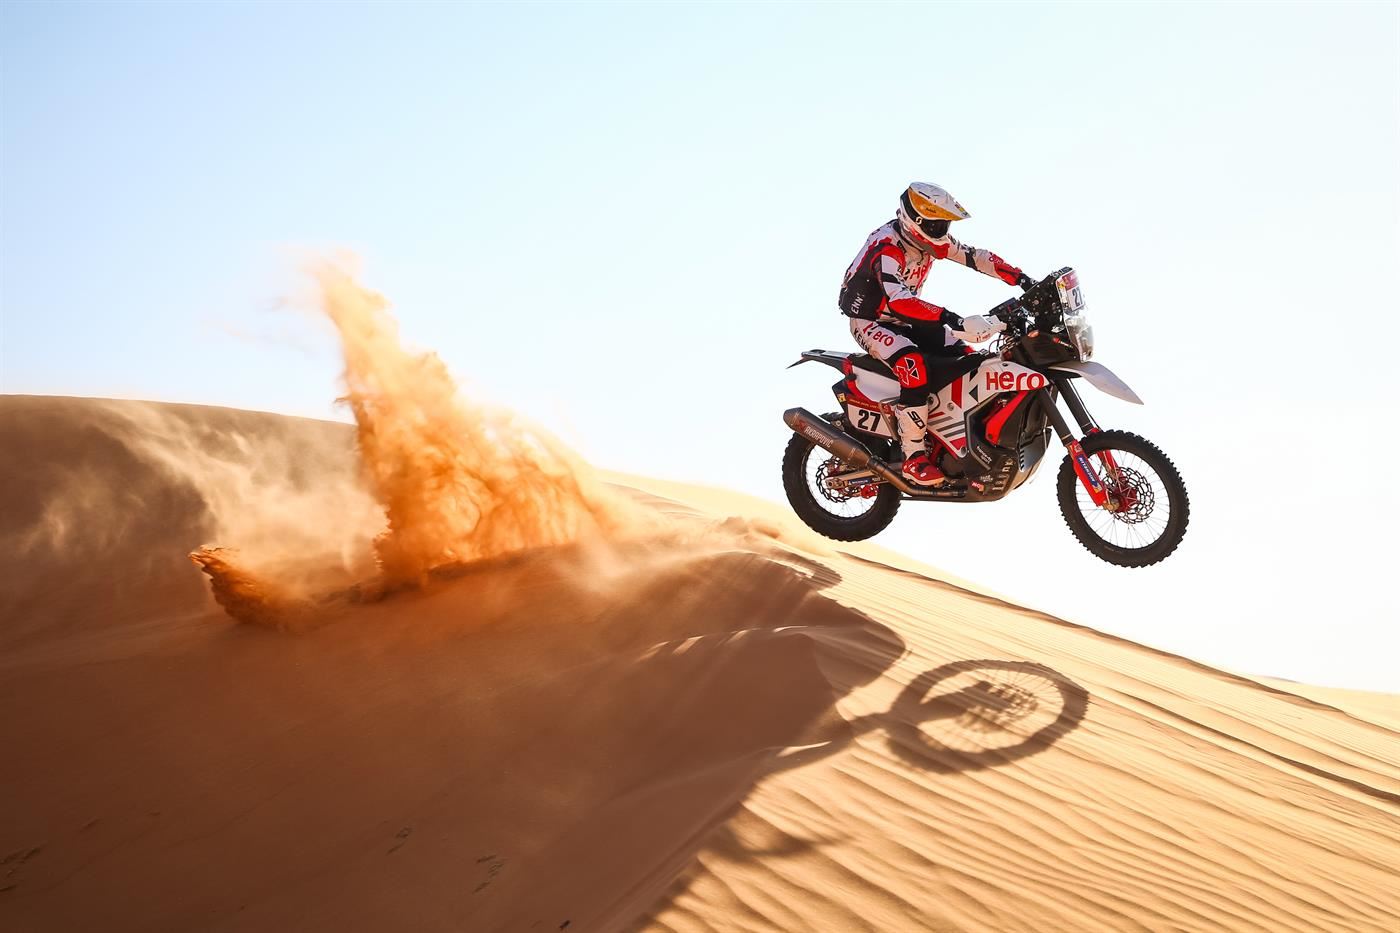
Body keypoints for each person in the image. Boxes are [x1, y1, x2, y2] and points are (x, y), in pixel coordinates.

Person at [838, 182, 1034, 486]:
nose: (942, 231)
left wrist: (1022, 279)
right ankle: (913, 456)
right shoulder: (887, 246)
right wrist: (951, 318)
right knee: (912, 365)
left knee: (967, 358)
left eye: (944, 224)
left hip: (906, 318)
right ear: (915, 221)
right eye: (936, 224)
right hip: (871, 322)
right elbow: (898, 300)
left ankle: (956, 435)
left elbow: (975, 256)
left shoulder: (929, 240)